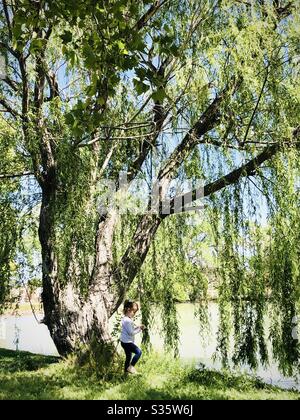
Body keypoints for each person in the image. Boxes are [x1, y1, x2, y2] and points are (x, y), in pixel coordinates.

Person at [120, 300, 145, 374]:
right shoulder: (127, 320)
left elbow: (131, 329)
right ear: (128, 310)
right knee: (138, 352)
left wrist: (138, 327)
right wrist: (140, 329)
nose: (134, 314)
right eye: (133, 312)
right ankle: (131, 367)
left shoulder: (127, 319)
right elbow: (131, 333)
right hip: (127, 342)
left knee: (128, 357)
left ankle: (125, 373)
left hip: (124, 342)